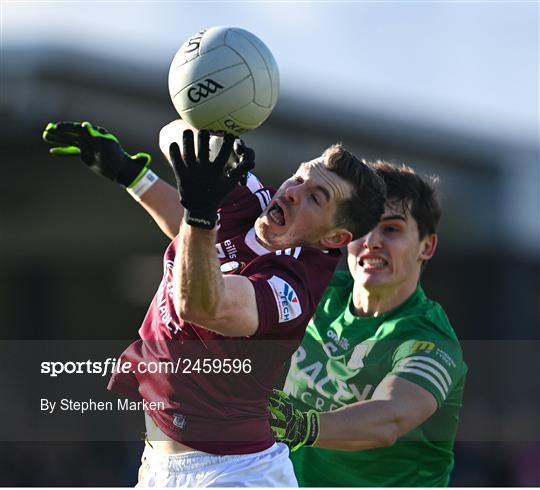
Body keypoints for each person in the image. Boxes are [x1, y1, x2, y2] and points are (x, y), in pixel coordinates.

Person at [42, 119, 386, 487]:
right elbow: (174, 140)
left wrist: (201, 207)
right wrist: (141, 172)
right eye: (300, 177)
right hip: (159, 465)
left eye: (317, 197)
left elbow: (203, 303)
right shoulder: (254, 202)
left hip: (233, 473)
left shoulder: (290, 288)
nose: (293, 192)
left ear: (335, 237)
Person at [269, 162, 467, 487]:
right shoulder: (323, 287)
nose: (372, 241)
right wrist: (156, 185)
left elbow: (389, 419)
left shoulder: (429, 340)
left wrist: (300, 428)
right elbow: (225, 249)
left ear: (426, 246)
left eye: (391, 229)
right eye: (364, 227)